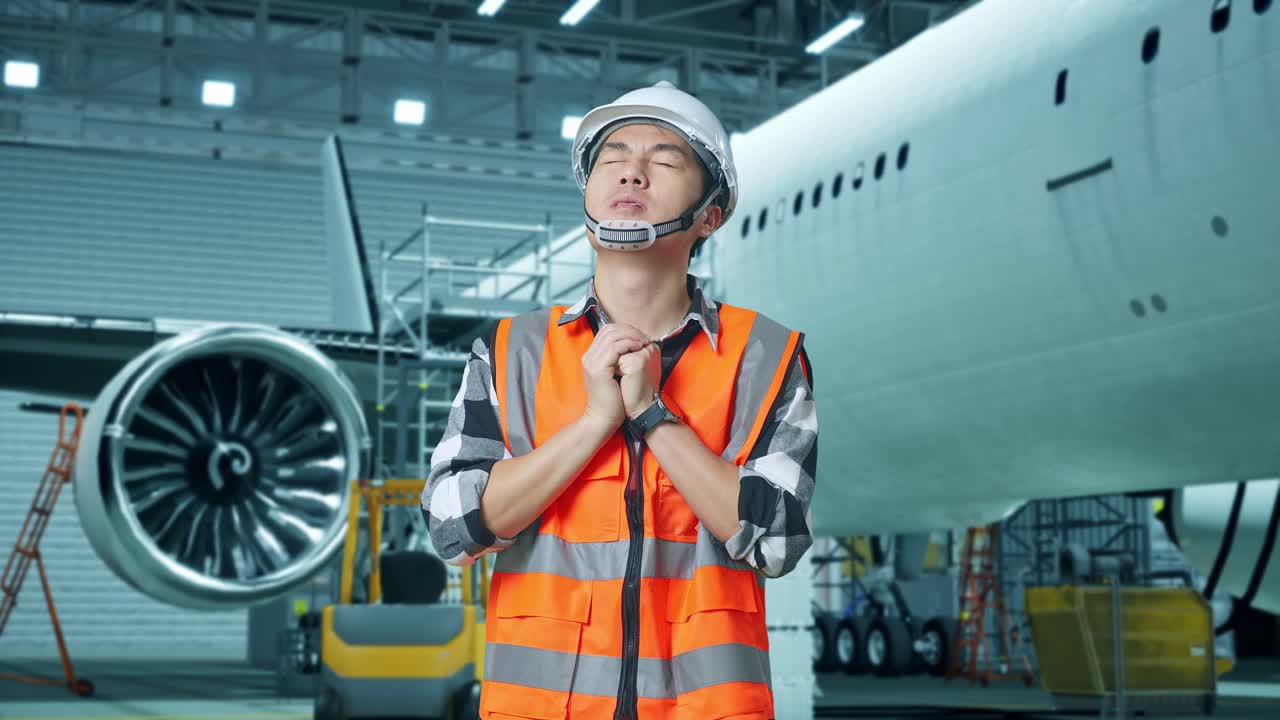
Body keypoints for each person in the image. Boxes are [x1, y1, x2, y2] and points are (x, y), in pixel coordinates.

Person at [421, 81, 818, 720]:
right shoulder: (508, 352)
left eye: (664, 161)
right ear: (587, 196)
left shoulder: (765, 357)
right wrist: (594, 422)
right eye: (612, 157)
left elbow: (776, 542)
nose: (632, 172)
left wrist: (654, 417)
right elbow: (452, 527)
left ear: (709, 216)